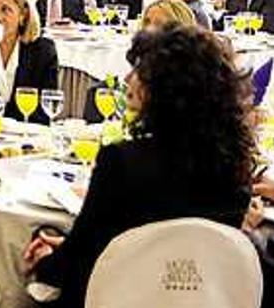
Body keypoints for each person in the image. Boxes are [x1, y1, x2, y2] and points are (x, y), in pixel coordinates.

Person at [22, 25, 254, 307]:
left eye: (139, 70)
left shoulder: (121, 161)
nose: (128, 78)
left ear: (166, 86)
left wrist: (46, 258)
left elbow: (74, 265)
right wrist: (72, 249)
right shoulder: (235, 166)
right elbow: (196, 252)